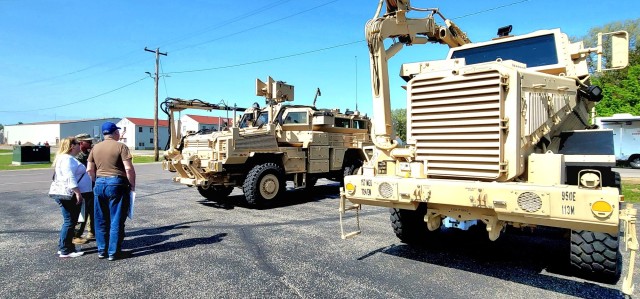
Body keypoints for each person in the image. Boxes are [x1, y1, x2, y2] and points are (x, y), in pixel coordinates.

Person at [87, 122, 136, 261]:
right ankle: (114, 252)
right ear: (115, 132)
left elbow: (89, 170)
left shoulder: (95, 148)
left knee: (100, 219)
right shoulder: (121, 146)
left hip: (99, 183)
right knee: (116, 219)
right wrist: (132, 185)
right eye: (118, 132)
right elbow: (128, 169)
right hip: (116, 183)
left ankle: (102, 250)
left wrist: (96, 182)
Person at [52, 137, 92, 258]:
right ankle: (65, 250)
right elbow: (69, 177)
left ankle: (65, 247)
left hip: (68, 193)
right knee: (70, 222)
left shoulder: (66, 158)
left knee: (70, 222)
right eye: (77, 143)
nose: (80, 145)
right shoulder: (67, 159)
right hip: (69, 195)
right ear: (72, 146)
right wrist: (77, 192)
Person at [73, 133, 95, 242]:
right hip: (81, 188)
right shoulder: (77, 157)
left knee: (93, 210)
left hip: (91, 187)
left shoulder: (89, 153)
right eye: (88, 141)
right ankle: (76, 235)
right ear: (81, 143)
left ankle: (92, 231)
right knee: (82, 212)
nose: (91, 143)